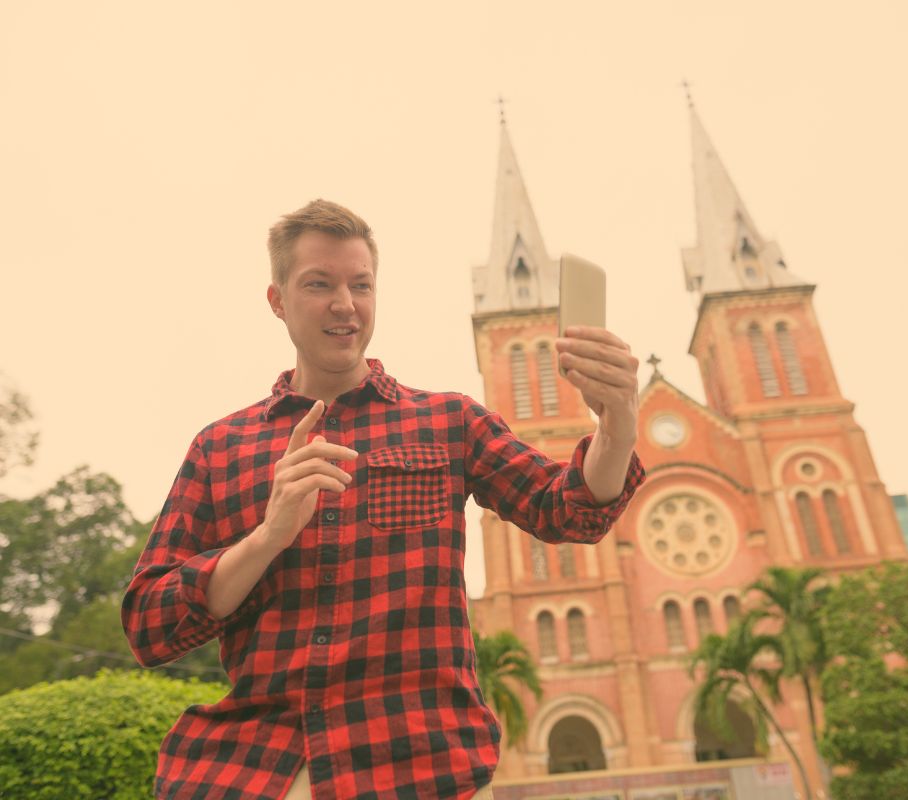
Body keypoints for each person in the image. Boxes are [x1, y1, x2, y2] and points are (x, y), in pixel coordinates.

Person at [122, 199, 645, 800]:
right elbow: (149, 627)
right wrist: (268, 537)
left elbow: (571, 510)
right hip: (257, 770)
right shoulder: (221, 448)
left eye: (360, 285)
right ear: (278, 301)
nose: (345, 303)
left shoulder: (449, 422)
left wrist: (618, 427)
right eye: (318, 284)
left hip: (417, 766)